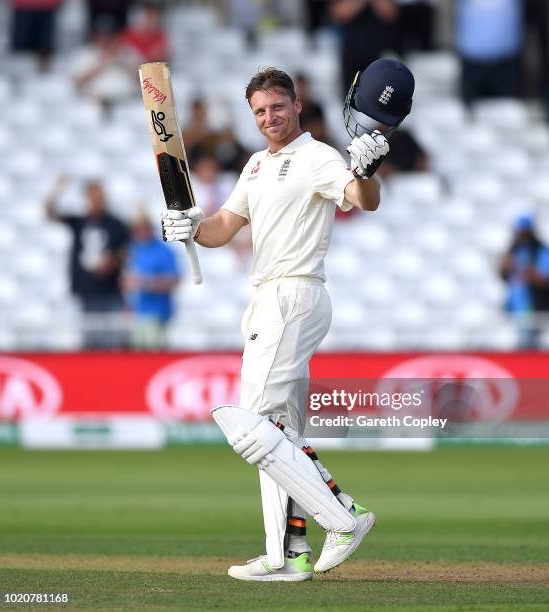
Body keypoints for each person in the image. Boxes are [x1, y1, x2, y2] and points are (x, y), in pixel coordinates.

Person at [162, 61, 414, 581]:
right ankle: (288, 554)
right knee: (279, 436)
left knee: (250, 429)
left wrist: (368, 171)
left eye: (278, 106)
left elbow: (362, 201)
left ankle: (343, 518)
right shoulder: (254, 165)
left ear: (297, 105)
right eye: (259, 111)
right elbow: (221, 230)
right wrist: (187, 225)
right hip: (266, 299)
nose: (269, 117)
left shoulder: (317, 156)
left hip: (294, 295)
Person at [45, 176, 129, 348]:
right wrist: (57, 190)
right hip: (86, 289)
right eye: (92, 196)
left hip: (109, 290)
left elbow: (125, 253)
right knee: (90, 341)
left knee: (111, 340)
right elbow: (50, 213)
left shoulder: (116, 224)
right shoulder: (79, 222)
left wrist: (111, 263)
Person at [123, 211, 180, 349]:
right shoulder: (135, 250)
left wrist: (147, 283)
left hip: (157, 313)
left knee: (152, 350)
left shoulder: (163, 251)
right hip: (137, 313)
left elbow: (173, 280)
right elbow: (126, 279)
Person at [500, 215, 549, 349]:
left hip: (535, 308)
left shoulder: (541, 251)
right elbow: (504, 275)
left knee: (529, 346)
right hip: (516, 308)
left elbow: (545, 279)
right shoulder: (514, 251)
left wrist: (530, 275)